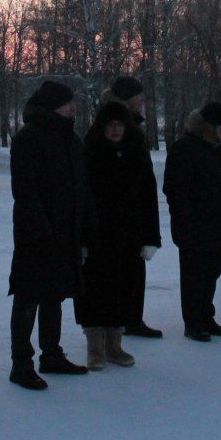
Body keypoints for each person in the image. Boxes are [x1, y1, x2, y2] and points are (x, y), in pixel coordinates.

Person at [8, 80, 92, 390]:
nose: (73, 106)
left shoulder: (70, 138)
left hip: (65, 231)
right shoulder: (29, 138)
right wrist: (41, 228)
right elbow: (26, 191)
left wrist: (81, 226)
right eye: (68, 102)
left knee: (55, 295)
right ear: (53, 104)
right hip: (37, 235)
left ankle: (51, 354)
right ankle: (21, 363)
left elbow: (80, 186)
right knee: (28, 297)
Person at [164, 101, 221, 342]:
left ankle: (206, 316)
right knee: (194, 277)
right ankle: (193, 321)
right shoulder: (185, 149)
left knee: (212, 274)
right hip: (196, 227)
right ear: (209, 126)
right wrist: (185, 222)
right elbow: (176, 190)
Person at [77, 101, 149, 369]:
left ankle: (115, 345)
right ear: (102, 128)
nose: (116, 130)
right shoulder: (90, 155)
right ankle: (95, 347)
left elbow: (146, 196)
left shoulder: (136, 153)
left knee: (122, 288)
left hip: (127, 235)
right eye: (110, 125)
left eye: (120, 124)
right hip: (96, 236)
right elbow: (81, 199)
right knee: (95, 290)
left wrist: (149, 237)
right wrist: (82, 238)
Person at [101, 76, 164, 339]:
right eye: (139, 97)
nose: (143, 101)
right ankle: (118, 322)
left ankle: (131, 318)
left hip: (134, 213)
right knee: (117, 272)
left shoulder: (133, 127)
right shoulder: (114, 127)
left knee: (134, 269)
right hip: (117, 216)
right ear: (127, 98)